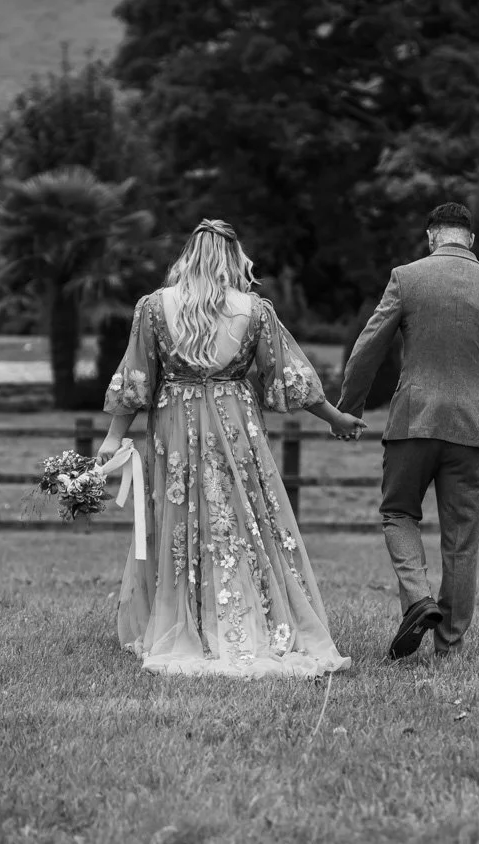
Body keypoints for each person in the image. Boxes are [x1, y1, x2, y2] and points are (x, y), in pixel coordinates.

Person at [98, 219, 361, 678]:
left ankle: (187, 617)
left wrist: (112, 436)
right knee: (241, 514)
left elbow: (137, 379)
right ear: (234, 258)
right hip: (235, 422)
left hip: (176, 423)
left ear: (189, 256)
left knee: (182, 515)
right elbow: (288, 375)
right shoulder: (254, 310)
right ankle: (249, 613)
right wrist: (334, 417)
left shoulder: (155, 307)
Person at [338, 202, 479, 661]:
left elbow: (368, 345)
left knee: (398, 513)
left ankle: (419, 598)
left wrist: (349, 408)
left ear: (430, 237)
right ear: (471, 240)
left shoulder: (407, 278)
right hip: (471, 430)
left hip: (412, 422)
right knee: (461, 539)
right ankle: (449, 646)